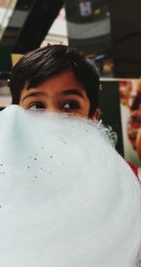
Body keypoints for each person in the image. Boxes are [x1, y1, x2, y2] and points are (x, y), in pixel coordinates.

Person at [9, 44, 139, 178]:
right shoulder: (1, 178)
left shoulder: (124, 178)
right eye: (36, 106)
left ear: (93, 118)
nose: (53, 118)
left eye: (70, 105)